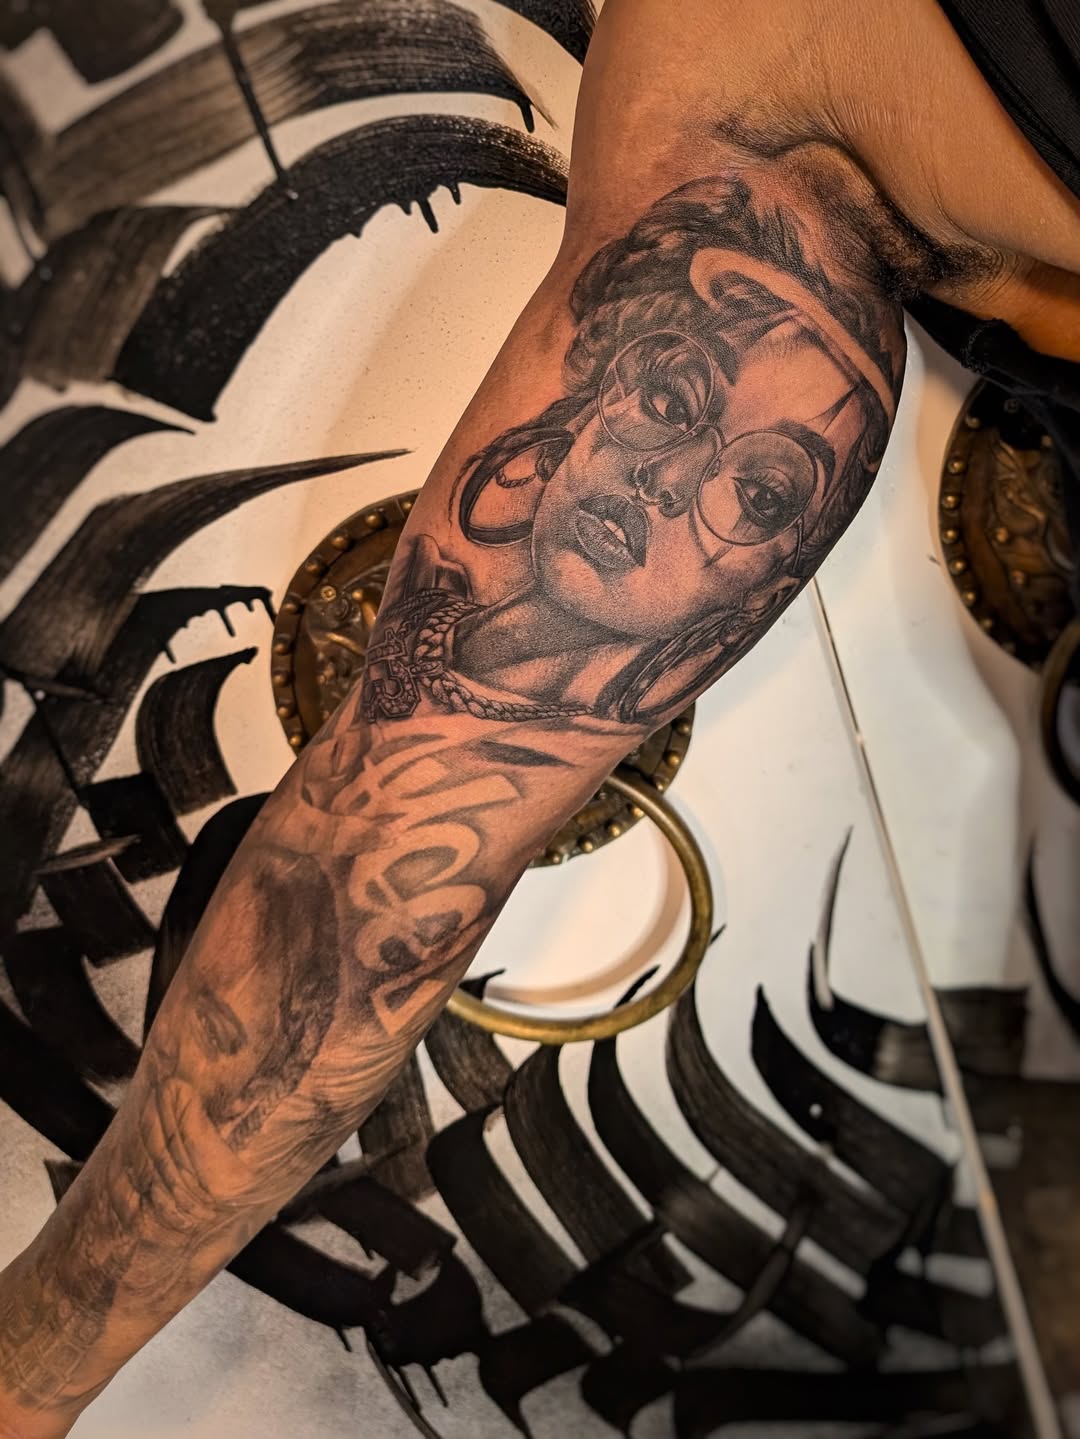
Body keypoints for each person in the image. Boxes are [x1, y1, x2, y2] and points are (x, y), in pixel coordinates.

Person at [1, 0, 1077, 1433]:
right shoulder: (778, 114)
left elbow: (365, 894)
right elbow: (367, 887)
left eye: (755, 491)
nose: (668, 485)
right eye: (673, 402)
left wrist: (26, 1375)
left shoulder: (764, 81)